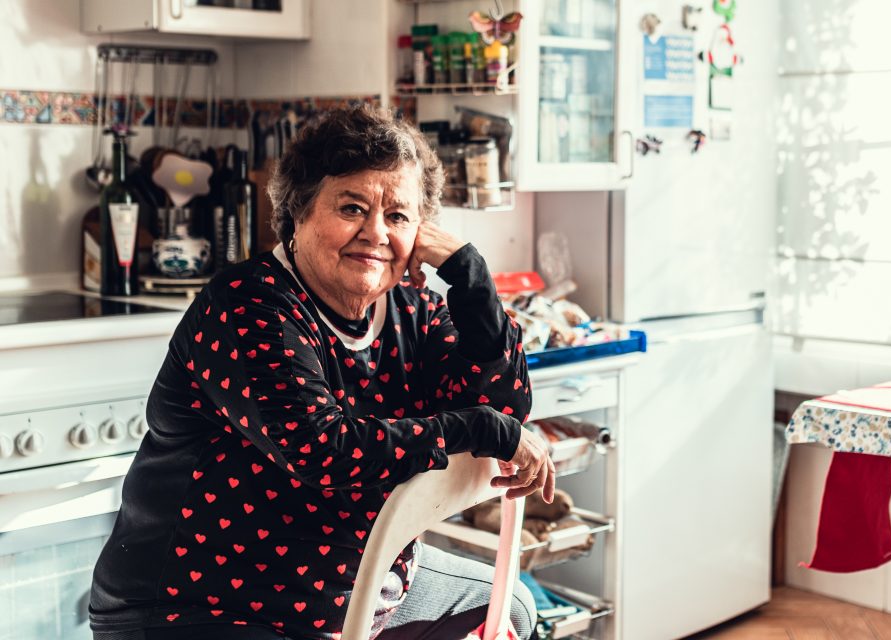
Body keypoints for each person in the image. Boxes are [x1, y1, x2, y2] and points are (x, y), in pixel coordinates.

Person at [90, 105, 553, 640]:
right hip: (204, 605)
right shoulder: (251, 304)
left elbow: (506, 408)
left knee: (508, 605)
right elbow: (324, 451)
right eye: (352, 208)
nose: (376, 233)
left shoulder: (411, 306)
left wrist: (470, 278)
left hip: (357, 589)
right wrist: (479, 428)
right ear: (299, 212)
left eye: (398, 217)